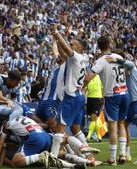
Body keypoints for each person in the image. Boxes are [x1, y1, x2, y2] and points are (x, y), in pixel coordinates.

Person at [84, 36, 129, 165]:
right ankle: (123, 155)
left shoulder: (101, 60)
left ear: (99, 47)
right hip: (124, 92)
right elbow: (127, 70)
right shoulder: (118, 57)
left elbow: (89, 77)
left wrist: (82, 87)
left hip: (112, 95)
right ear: (110, 44)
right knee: (121, 124)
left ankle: (113, 158)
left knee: (113, 126)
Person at [51, 25, 89, 157]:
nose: (71, 44)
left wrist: (57, 34)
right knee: (75, 128)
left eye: (74, 44)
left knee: (60, 128)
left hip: (71, 96)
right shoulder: (84, 58)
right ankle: (88, 155)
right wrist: (57, 41)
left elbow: (66, 49)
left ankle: (53, 157)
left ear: (80, 48)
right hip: (79, 96)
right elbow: (63, 53)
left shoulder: (77, 57)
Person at [106, 55, 137, 164]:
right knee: (124, 126)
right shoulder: (123, 75)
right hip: (129, 102)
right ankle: (127, 153)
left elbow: (128, 63)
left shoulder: (132, 68)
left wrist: (116, 60)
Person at [85, 74, 103, 142]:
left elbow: (102, 88)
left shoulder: (100, 77)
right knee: (93, 119)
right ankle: (98, 136)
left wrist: (103, 98)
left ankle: (88, 136)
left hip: (97, 98)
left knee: (93, 118)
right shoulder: (88, 77)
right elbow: (85, 88)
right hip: (89, 98)